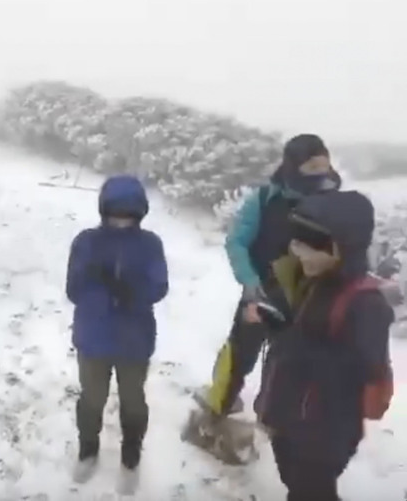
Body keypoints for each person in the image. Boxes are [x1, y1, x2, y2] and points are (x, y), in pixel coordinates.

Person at [185, 134, 342, 462]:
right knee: (238, 354)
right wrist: (251, 284)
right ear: (291, 164)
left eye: (323, 164)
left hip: (306, 303)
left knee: (285, 366)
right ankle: (218, 406)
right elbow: (237, 241)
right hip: (261, 296)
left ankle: (272, 422)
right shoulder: (266, 199)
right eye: (311, 165)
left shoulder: (335, 203)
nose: (320, 172)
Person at [255, 190, 394, 501]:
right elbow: (305, 337)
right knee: (292, 478)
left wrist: (297, 345)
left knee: (310, 491)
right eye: (298, 241)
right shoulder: (313, 281)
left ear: (345, 248)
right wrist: (278, 326)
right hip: (290, 416)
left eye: (314, 246)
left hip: (325, 430)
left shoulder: (365, 304)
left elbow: (364, 368)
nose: (301, 253)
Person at [65, 174, 169, 492]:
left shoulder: (150, 244)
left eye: (129, 214)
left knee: (134, 402)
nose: (121, 220)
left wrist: (130, 292)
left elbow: (159, 285)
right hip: (93, 337)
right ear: (104, 210)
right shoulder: (86, 241)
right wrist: (102, 290)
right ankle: (88, 450)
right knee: (91, 399)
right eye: (115, 213)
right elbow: (73, 289)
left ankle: (131, 456)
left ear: (140, 213)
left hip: (134, 339)